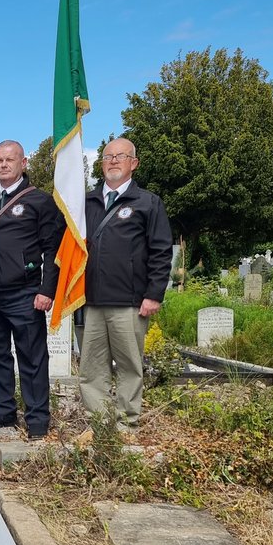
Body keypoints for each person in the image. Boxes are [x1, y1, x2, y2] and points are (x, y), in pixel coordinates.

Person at [79, 136, 173, 428]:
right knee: (91, 369)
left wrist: (153, 294)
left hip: (129, 302)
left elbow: (160, 250)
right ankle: (99, 425)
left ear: (134, 163)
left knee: (130, 366)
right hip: (92, 301)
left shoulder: (147, 203)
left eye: (121, 156)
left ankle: (126, 423)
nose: (113, 162)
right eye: (108, 157)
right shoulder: (86, 201)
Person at [0, 140, 64, 439]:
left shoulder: (39, 201)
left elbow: (54, 248)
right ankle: (4, 410)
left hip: (25, 293)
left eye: (10, 159)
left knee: (32, 357)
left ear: (23, 163)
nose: (4, 164)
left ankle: (38, 417)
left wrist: (47, 289)